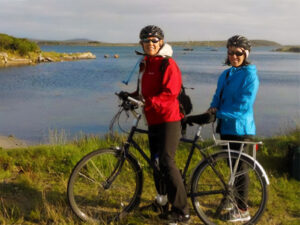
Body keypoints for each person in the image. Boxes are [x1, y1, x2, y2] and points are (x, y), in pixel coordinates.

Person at [121, 25, 190, 223]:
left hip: (169, 119)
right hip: (153, 119)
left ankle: (182, 211)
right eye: (146, 40)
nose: (150, 44)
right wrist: (130, 96)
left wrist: (149, 103)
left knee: (167, 162)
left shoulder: (168, 64)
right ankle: (163, 201)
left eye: (154, 40)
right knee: (156, 163)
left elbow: (170, 94)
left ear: (161, 42)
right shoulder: (146, 63)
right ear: (141, 44)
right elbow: (144, 93)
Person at [207, 35, 259, 222]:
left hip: (241, 128)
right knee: (231, 166)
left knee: (240, 169)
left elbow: (243, 106)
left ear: (246, 54)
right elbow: (217, 96)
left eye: (238, 53)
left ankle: (243, 210)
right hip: (226, 126)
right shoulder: (226, 74)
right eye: (230, 52)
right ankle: (233, 199)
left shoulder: (250, 75)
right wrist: (212, 108)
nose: (234, 56)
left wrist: (219, 113)